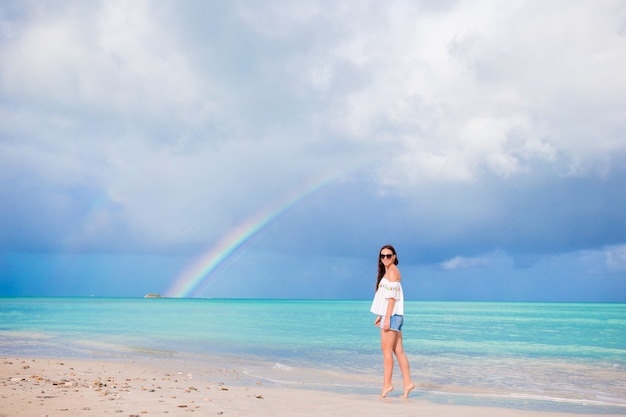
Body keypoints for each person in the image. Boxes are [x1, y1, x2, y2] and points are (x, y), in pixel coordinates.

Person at [370, 244, 415, 398]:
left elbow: (391, 299)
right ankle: (408, 383)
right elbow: (387, 297)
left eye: (388, 256)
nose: (385, 258)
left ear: (394, 257)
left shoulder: (393, 272)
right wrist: (380, 315)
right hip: (393, 315)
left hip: (392, 316)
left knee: (386, 351)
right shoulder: (389, 271)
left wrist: (387, 318)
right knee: (398, 350)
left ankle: (387, 385)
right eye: (382, 256)